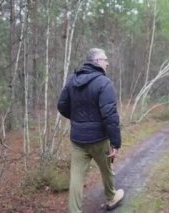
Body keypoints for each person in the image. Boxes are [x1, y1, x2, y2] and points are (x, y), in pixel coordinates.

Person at [57, 48, 124, 212]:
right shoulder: (104, 82)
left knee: (76, 177)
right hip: (99, 139)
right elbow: (109, 114)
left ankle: (74, 210)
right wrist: (115, 143)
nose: (107, 63)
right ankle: (111, 197)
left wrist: (78, 120)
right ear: (97, 62)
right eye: (105, 59)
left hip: (78, 139)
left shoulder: (72, 80)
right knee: (106, 169)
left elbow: (62, 105)